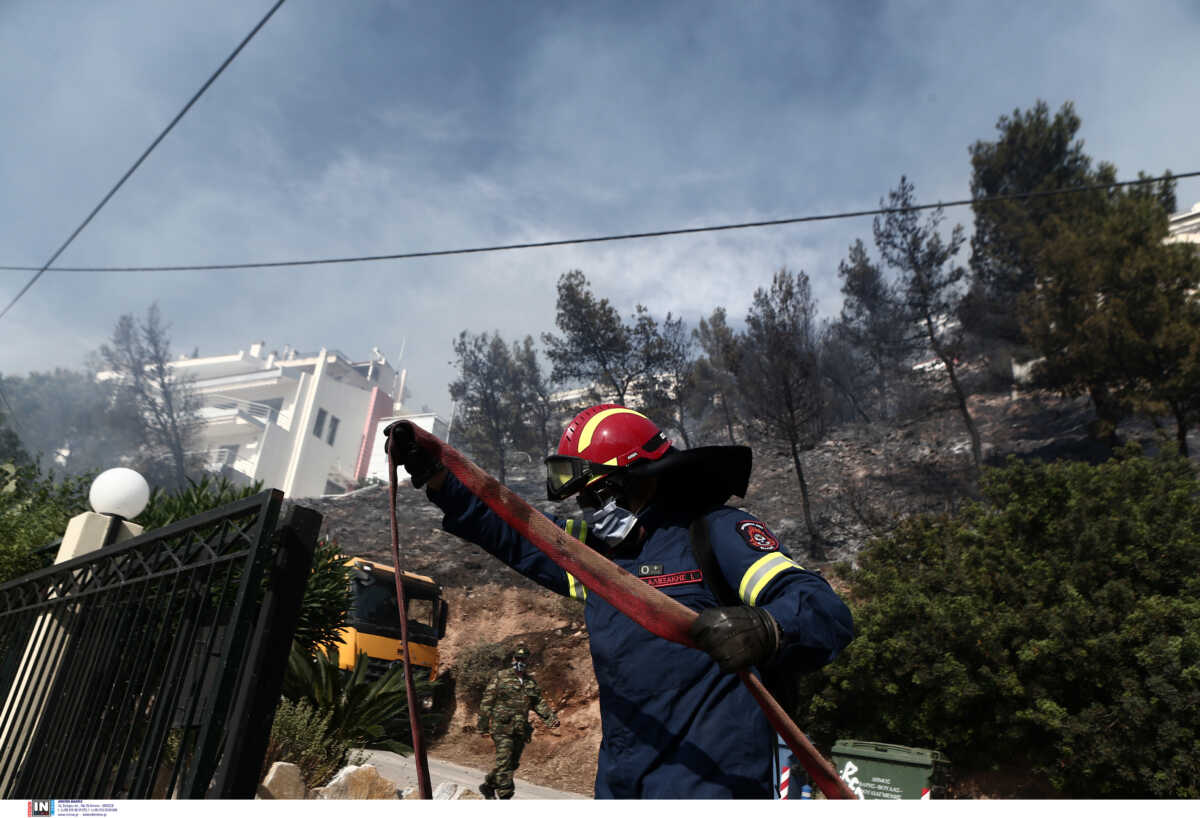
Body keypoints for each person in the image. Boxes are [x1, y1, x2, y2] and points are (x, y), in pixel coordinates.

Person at [386, 404, 853, 799]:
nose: (590, 511)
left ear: (643, 478)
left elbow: (821, 609)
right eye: (583, 501)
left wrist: (768, 628)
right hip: (621, 783)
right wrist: (440, 476)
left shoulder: (713, 533)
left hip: (714, 784)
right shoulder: (600, 560)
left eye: (599, 493)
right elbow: (515, 531)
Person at [476, 644, 559, 800]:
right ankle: (505, 796)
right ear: (513, 658)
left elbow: (538, 702)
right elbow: (487, 701)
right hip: (501, 728)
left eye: (523, 659)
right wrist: (482, 725)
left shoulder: (530, 682)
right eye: (517, 658)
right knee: (505, 763)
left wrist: (550, 718)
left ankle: (488, 785)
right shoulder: (501, 677)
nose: (520, 661)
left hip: (520, 729)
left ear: (528, 661)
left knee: (510, 764)